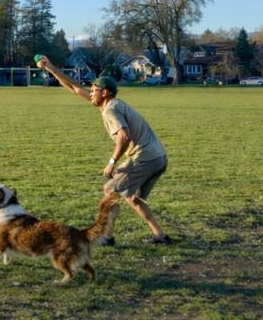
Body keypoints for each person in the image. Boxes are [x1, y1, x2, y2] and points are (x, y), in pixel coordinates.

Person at [36, 57, 172, 245]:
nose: (90, 93)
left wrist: (112, 162)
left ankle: (107, 237)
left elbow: (124, 136)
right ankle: (160, 235)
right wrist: (51, 68)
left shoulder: (111, 109)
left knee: (110, 189)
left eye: (94, 91)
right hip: (159, 157)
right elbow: (75, 88)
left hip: (145, 158)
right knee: (130, 196)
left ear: (105, 93)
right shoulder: (110, 103)